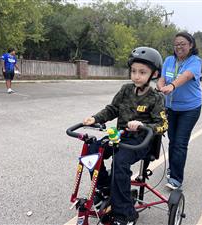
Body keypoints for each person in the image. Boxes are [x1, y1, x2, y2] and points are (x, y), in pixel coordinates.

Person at [83, 47, 168, 225]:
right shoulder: (125, 90)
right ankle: (105, 187)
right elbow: (112, 109)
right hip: (119, 137)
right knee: (91, 150)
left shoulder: (156, 97)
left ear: (154, 74)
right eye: (134, 71)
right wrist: (95, 118)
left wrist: (143, 126)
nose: (137, 76)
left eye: (142, 72)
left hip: (140, 142)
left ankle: (126, 213)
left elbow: (162, 124)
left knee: (119, 161)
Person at [157, 31, 202, 190]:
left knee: (180, 143)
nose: (179, 47)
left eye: (183, 44)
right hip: (171, 108)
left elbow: (187, 75)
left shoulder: (195, 61)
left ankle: (176, 178)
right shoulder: (169, 60)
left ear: (191, 45)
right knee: (172, 140)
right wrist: (161, 86)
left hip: (190, 108)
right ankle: (173, 167)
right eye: (176, 44)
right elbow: (162, 77)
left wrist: (172, 85)